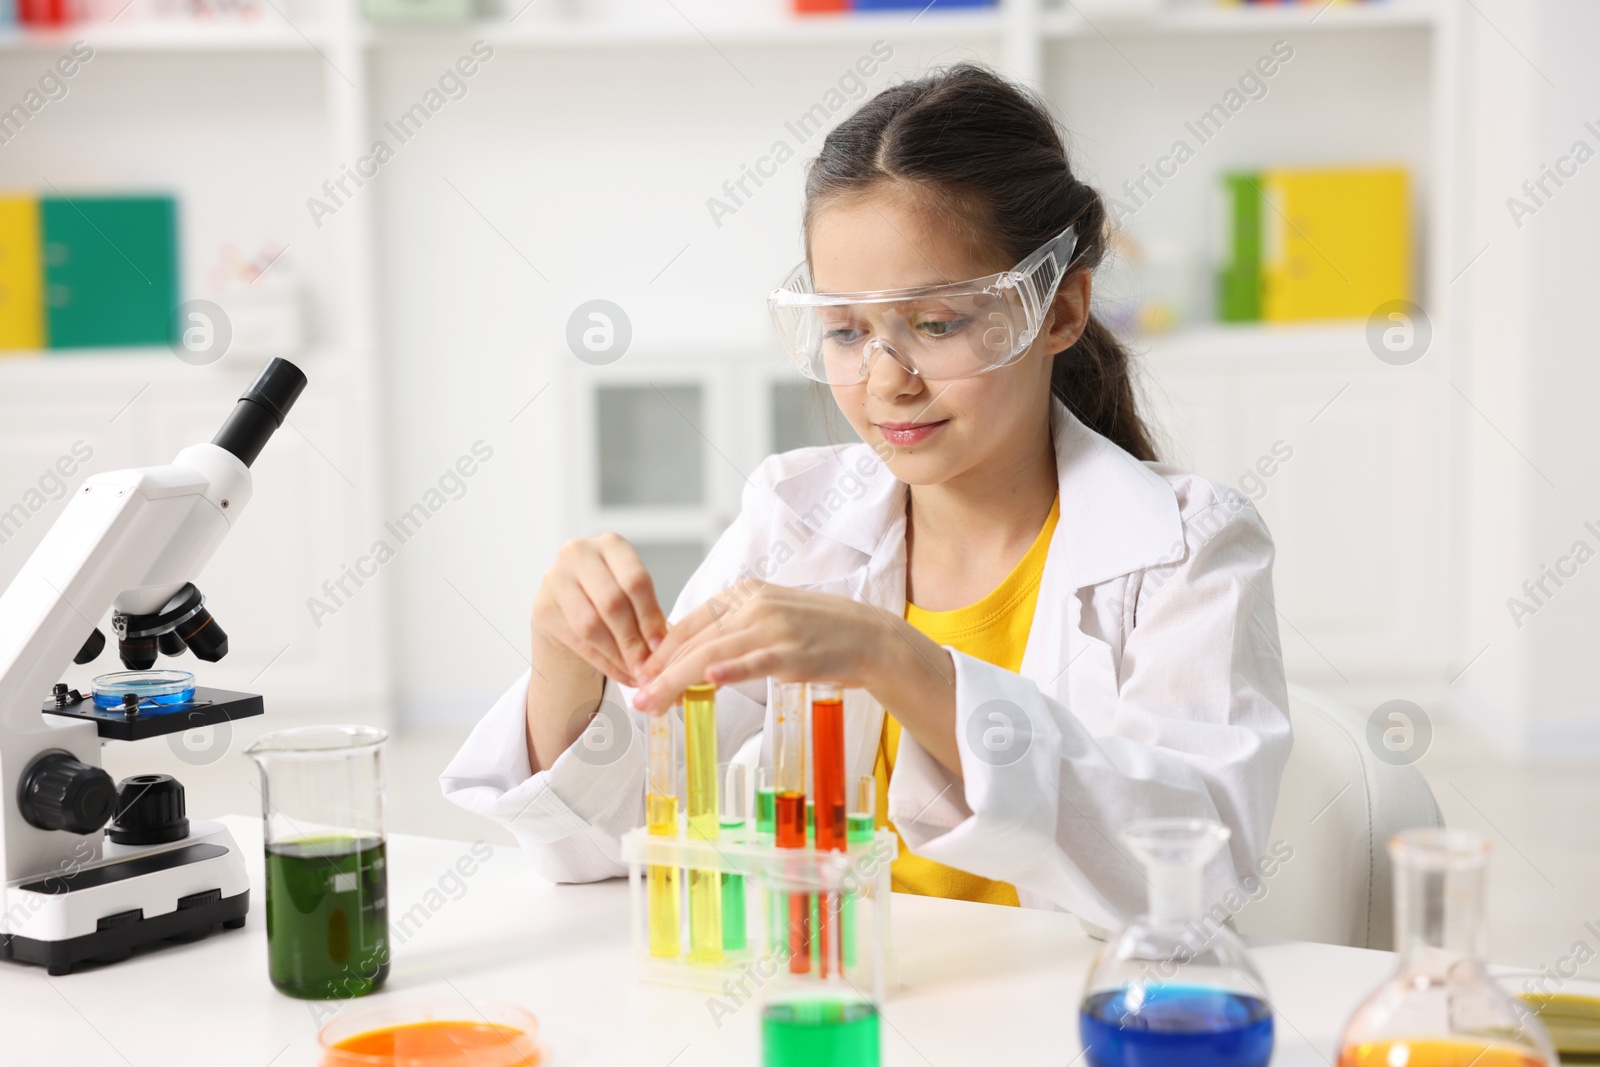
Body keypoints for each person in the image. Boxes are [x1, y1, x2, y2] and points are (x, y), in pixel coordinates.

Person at [442, 64, 1291, 930]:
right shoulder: (793, 516)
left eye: (935, 324)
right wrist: (564, 660)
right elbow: (606, 841)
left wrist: (897, 659)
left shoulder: (1190, 547)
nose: (888, 381)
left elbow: (1196, 872)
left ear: (1060, 310)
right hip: (840, 1007)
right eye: (846, 331)